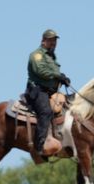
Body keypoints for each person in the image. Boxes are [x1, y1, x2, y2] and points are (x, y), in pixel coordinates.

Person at [26, 29, 70, 163]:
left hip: (51, 91)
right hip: (38, 90)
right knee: (45, 111)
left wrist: (62, 79)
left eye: (55, 40)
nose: (53, 43)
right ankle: (39, 148)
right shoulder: (37, 55)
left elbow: (53, 73)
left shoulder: (52, 57)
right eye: (51, 40)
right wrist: (57, 75)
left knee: (68, 106)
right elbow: (41, 71)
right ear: (43, 40)